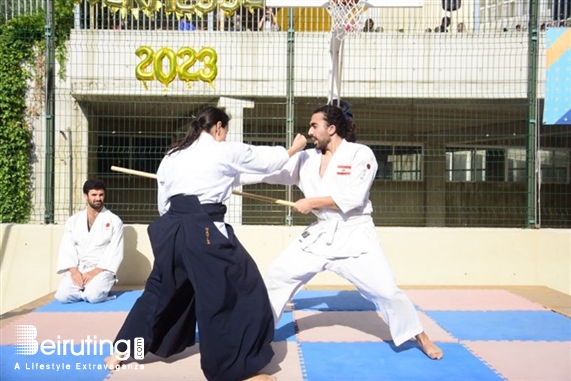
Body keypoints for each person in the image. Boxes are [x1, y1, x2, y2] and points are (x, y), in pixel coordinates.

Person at [105, 107, 307, 381]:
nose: (225, 137)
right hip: (203, 227)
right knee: (237, 290)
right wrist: (293, 149)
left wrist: (177, 230)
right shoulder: (223, 150)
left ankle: (120, 351)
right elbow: (264, 160)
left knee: (160, 290)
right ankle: (233, 369)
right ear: (219, 127)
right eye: (225, 132)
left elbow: (164, 199)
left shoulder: (173, 154)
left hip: (170, 228)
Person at [237, 104, 444, 360]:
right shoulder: (307, 158)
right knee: (277, 276)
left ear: (331, 128)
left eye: (314, 125)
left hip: (355, 236)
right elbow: (272, 173)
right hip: (321, 235)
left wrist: (312, 202)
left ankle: (420, 336)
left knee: (387, 291)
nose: (310, 131)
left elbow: (354, 197)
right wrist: (233, 176)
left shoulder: (360, 154)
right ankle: (258, 335)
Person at [54, 179, 124, 304]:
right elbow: (67, 247)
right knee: (62, 296)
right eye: (94, 195)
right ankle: (84, 292)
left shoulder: (114, 221)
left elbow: (115, 251)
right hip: (80, 268)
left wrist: (95, 272)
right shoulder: (73, 221)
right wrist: (74, 272)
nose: (98, 198)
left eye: (101, 195)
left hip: (102, 270)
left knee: (93, 296)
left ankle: (92, 291)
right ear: (86, 196)